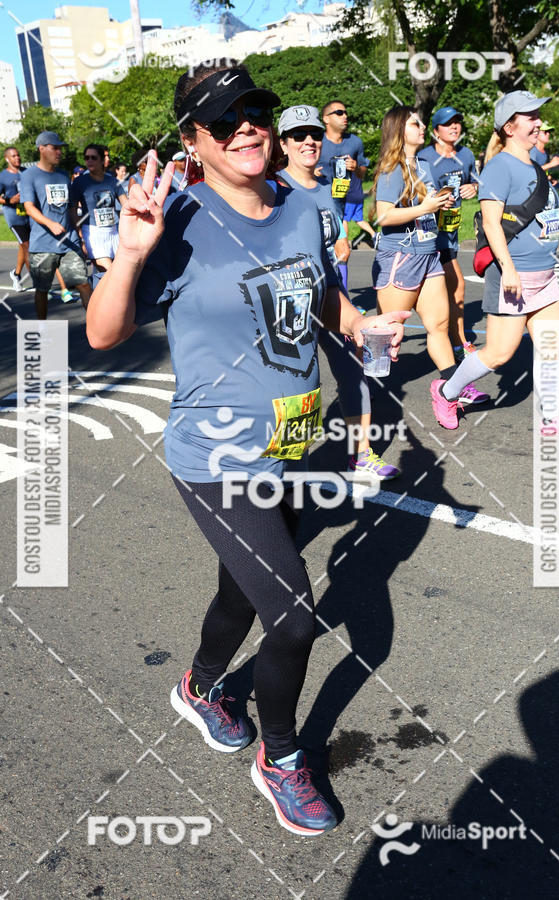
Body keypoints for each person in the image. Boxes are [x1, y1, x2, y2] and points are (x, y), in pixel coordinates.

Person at [86, 62, 409, 836]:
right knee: (294, 617)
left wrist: (357, 323)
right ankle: (283, 759)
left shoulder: (302, 206)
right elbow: (102, 334)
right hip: (217, 454)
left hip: (292, 443)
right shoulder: (181, 219)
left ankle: (199, 689)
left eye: (254, 112)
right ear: (194, 141)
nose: (248, 129)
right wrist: (131, 253)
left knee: (246, 590)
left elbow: (320, 287)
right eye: (225, 121)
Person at [429, 91, 559, 435]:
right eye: (530, 117)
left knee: (550, 349)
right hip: (513, 275)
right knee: (499, 354)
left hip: (545, 275)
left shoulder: (533, 164)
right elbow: (490, 224)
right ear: (508, 126)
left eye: (537, 116)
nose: (537, 123)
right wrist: (510, 270)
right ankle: (446, 392)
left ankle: (552, 418)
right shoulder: (499, 167)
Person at [277, 104, 402, 478]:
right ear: (283, 144)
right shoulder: (275, 190)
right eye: (298, 136)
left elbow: (335, 229)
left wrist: (342, 241)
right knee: (296, 382)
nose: (309, 141)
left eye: (314, 134)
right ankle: (287, 465)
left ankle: (361, 454)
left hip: (331, 295)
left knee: (352, 368)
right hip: (293, 302)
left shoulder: (325, 188)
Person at [372, 105, 483, 415]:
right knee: (383, 336)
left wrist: (444, 202)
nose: (422, 127)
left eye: (421, 123)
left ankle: (451, 390)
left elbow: (429, 206)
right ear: (398, 131)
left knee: (439, 326)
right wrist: (425, 208)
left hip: (429, 256)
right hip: (400, 258)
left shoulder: (424, 165)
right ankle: (361, 396)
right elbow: (383, 215)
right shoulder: (391, 169)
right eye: (415, 124)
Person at [418, 107, 490, 407]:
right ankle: (459, 346)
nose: (455, 127)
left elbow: (477, 182)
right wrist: (436, 198)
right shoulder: (424, 158)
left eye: (458, 122)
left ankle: (456, 343)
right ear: (436, 130)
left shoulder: (468, 155)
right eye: (448, 124)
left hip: (450, 232)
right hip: (427, 234)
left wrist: (474, 187)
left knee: (451, 290)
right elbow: (420, 191)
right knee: (456, 286)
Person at [20, 131, 91, 318]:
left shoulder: (63, 175)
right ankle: (42, 328)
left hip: (69, 241)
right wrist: (50, 224)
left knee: (82, 282)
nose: (59, 152)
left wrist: (78, 232)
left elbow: (69, 208)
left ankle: (96, 327)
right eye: (55, 148)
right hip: (43, 244)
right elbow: (29, 207)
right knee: (42, 290)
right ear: (41, 149)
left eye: (60, 148)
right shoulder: (29, 175)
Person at [317, 100, 369, 290]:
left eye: (346, 112)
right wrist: (312, 173)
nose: (345, 116)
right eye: (339, 113)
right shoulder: (315, 141)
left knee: (343, 252)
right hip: (315, 207)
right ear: (326, 119)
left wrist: (356, 168)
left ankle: (344, 300)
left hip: (338, 206)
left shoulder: (354, 142)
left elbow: (363, 173)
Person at [69, 142, 126, 277]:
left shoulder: (112, 182)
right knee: (111, 274)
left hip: (113, 233)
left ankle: (97, 297)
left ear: (102, 160)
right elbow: (72, 210)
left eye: (93, 157)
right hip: (92, 233)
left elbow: (126, 205)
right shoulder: (79, 182)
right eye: (86, 158)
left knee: (116, 276)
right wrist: (81, 238)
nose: (89, 161)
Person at [530, 123, 559, 268]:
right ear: (537, 133)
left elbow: (541, 173)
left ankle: (551, 254)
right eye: (545, 132)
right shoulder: (533, 151)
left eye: (549, 132)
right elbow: (530, 170)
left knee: (553, 223)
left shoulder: (543, 152)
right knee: (543, 224)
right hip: (535, 194)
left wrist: (549, 178)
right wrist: (551, 165)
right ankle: (546, 256)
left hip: (546, 192)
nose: (548, 135)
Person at [0, 146, 30, 292]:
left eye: (18, 155)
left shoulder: (26, 172)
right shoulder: (3, 176)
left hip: (29, 214)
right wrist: (9, 200)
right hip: (14, 217)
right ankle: (39, 283)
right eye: (13, 156)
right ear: (7, 159)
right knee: (28, 247)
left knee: (23, 246)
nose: (17, 158)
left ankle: (16, 274)